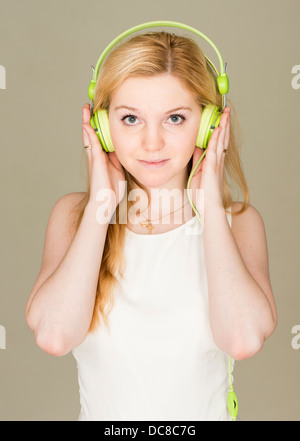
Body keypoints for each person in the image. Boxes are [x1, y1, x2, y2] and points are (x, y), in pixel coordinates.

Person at [25, 29, 277, 421]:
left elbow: (242, 339)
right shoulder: (74, 217)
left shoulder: (237, 224)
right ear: (103, 128)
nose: (152, 142)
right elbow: (54, 336)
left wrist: (209, 206)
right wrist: (102, 205)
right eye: (130, 119)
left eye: (174, 118)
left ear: (210, 124)